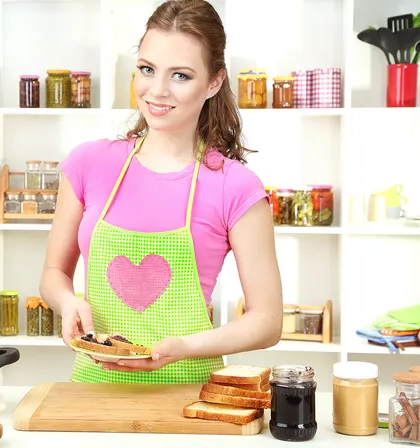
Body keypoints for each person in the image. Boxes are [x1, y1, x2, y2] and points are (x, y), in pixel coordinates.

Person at [40, 0, 283, 384]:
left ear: (214, 82)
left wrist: (183, 347)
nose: (157, 90)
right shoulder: (89, 164)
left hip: (191, 395)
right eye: (147, 70)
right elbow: (54, 273)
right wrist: (68, 301)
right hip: (93, 391)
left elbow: (267, 321)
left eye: (181, 76)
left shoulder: (235, 187)